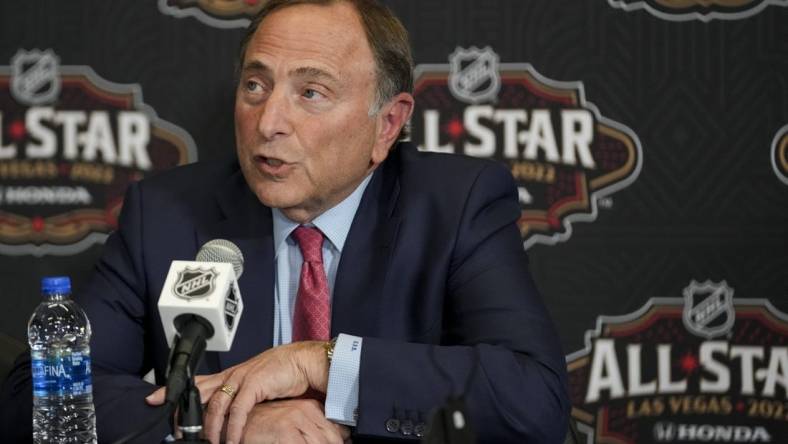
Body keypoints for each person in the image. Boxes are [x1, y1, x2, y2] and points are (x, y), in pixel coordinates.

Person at [1, 0, 570, 442]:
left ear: (386, 126)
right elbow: (38, 395)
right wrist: (225, 422)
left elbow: (533, 400)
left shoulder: (455, 205)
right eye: (256, 85)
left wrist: (318, 364)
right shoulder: (168, 213)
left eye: (311, 92)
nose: (268, 120)